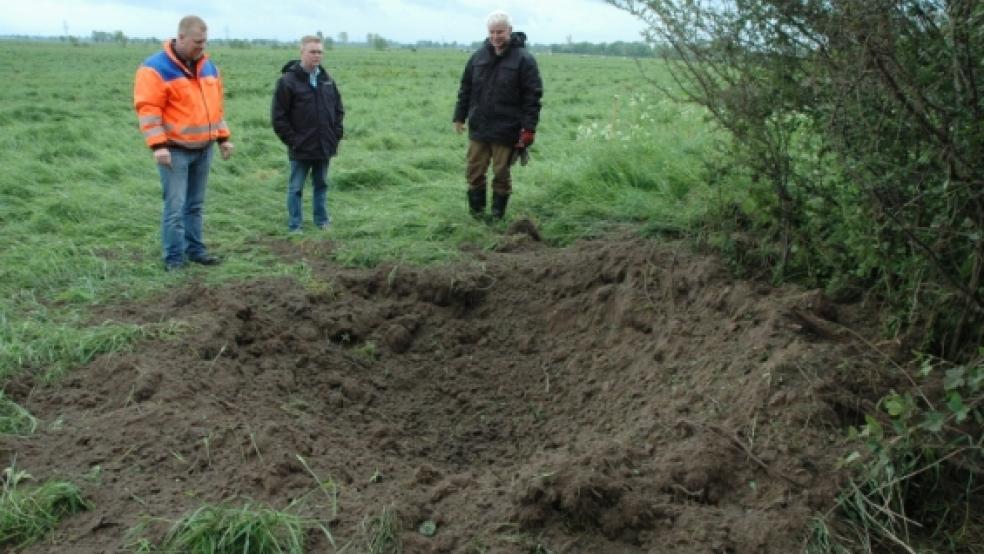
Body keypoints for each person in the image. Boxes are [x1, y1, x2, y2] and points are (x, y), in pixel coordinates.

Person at [134, 15, 233, 272]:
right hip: (175, 151)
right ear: (181, 37)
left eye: (204, 42)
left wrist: (223, 139)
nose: (201, 47)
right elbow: (149, 110)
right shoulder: (155, 69)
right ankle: (174, 259)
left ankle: (196, 250)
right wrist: (158, 146)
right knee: (175, 208)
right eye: (197, 42)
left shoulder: (209, 67)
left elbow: (215, 109)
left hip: (204, 148)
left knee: (195, 205)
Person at [453, 10, 543, 221]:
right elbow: (465, 88)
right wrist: (459, 116)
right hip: (480, 127)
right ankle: (477, 216)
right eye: (492, 32)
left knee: (501, 173)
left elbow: (533, 97)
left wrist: (529, 129)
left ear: (509, 31)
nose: (495, 37)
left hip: (507, 128)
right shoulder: (477, 57)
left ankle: (496, 217)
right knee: (474, 172)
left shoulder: (524, 60)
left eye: (500, 32)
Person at [272, 35, 345, 233]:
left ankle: (322, 221)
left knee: (321, 185)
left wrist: (335, 134)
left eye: (320, 52)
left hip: (324, 145)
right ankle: (295, 225)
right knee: (296, 188)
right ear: (301, 52)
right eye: (312, 51)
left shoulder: (327, 80)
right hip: (301, 147)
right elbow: (279, 117)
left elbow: (338, 110)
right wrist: (293, 141)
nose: (317, 55)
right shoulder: (287, 82)